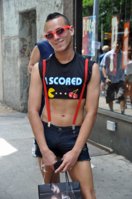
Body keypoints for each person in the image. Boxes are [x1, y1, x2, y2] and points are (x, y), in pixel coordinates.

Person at [28, 12, 100, 199]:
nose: (56, 37)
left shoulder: (89, 67)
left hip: (74, 135)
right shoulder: (40, 68)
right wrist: (44, 150)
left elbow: (91, 112)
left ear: (71, 30)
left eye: (60, 31)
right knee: (54, 194)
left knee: (88, 194)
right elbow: (33, 111)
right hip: (47, 134)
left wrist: (76, 151)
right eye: (50, 35)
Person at [28, 40, 54, 176]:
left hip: (63, 98)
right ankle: (40, 150)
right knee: (42, 130)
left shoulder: (67, 46)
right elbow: (31, 66)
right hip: (44, 96)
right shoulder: (42, 46)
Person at [101, 43, 126, 114]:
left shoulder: (123, 55)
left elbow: (126, 65)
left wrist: (125, 76)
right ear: (113, 46)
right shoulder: (108, 55)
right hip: (110, 79)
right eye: (115, 46)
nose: (117, 47)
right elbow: (103, 66)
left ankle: (122, 112)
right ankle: (111, 111)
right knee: (110, 96)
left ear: (120, 46)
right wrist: (106, 77)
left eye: (118, 46)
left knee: (121, 95)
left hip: (120, 78)